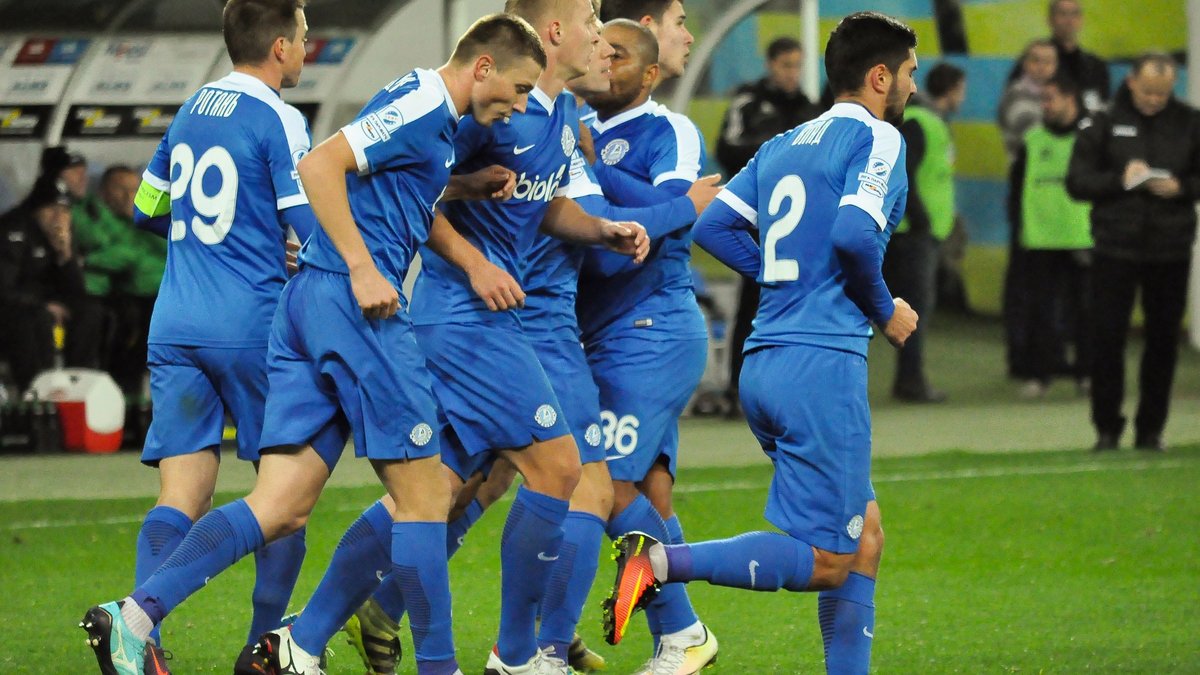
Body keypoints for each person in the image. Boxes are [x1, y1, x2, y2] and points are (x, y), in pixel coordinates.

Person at [605, 11, 919, 675]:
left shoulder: (784, 143)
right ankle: (660, 562)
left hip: (763, 363)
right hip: (820, 367)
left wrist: (783, 277)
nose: (912, 87)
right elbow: (854, 236)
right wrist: (885, 309)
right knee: (831, 559)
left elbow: (713, 227)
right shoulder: (879, 140)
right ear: (879, 76)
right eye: (909, 74)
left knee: (865, 535)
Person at [78, 1, 323, 672]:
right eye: (303, 37)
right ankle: (266, 646)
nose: (307, 49)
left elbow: (145, 208)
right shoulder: (279, 117)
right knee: (286, 499)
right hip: (248, 326)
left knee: (181, 496)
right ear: (279, 46)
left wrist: (207, 240)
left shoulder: (192, 108)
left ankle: (140, 644)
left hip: (176, 321)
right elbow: (309, 225)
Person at [406, 1, 648, 673]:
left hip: (499, 317)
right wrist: (475, 261)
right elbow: (414, 191)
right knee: (563, 471)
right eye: (591, 21)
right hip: (470, 313)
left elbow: (541, 206)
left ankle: (310, 633)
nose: (601, 37)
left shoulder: (559, 113)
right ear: (553, 32)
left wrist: (600, 230)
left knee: (441, 485)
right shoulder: (483, 110)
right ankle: (523, 651)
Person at [578, 17, 720, 674]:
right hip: (601, 332)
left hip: (650, 328)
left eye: (619, 56)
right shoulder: (578, 122)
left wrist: (593, 168)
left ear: (650, 72)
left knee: (605, 482)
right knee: (650, 493)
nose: (606, 64)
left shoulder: (669, 130)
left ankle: (679, 631)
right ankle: (677, 641)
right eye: (600, 52)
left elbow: (672, 214)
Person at [1066, 53, 1200, 452]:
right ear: (1131, 82)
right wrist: (1120, 180)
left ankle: (1151, 430)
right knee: (1107, 340)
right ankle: (1107, 429)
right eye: (1148, 92)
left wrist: (1182, 188)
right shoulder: (1102, 120)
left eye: (1163, 92)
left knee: (1163, 342)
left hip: (1171, 249)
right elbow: (1077, 182)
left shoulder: (1190, 122)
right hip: (1114, 248)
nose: (1155, 99)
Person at [716, 36, 822, 415]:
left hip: (801, 222)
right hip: (756, 220)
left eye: (797, 65)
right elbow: (726, 148)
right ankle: (737, 389)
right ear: (771, 64)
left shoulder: (811, 108)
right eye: (786, 65)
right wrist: (777, 151)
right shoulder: (748, 102)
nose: (793, 73)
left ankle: (789, 390)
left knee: (799, 303)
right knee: (752, 303)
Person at [1007, 73, 1093, 398]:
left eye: (1050, 98)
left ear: (1071, 99)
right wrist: (1019, 231)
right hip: (1040, 240)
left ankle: (1087, 373)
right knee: (1040, 311)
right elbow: (1017, 191)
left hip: (1082, 237)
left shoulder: (1091, 140)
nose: (1045, 105)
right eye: (1042, 99)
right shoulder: (1032, 141)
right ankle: (1040, 375)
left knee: (1086, 311)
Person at [884, 62, 963, 403]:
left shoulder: (928, 122)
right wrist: (920, 219)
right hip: (911, 235)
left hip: (917, 233)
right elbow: (904, 173)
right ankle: (910, 381)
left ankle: (909, 379)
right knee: (912, 309)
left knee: (907, 308)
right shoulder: (919, 122)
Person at [0, 177, 105, 390]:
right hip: (15, 308)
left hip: (45, 304)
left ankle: (79, 384)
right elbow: (4, 288)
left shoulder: (62, 233)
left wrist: (65, 255)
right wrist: (42, 305)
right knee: (36, 318)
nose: (58, 217)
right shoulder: (12, 229)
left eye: (64, 210)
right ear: (36, 210)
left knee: (91, 312)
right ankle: (37, 391)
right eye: (51, 209)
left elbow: (77, 291)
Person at [73, 165, 167, 395]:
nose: (129, 196)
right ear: (104, 191)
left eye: (134, 189)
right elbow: (123, 256)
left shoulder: (150, 216)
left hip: (158, 291)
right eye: (120, 189)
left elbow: (171, 247)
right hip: (126, 293)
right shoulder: (98, 217)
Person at [997, 39, 1058, 162]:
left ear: (1056, 66)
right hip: (1026, 168)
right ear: (1025, 63)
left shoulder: (1056, 93)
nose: (1042, 66)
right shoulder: (1015, 95)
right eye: (1036, 60)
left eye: (1048, 61)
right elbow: (1033, 136)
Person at [1047, 0, 1109, 115]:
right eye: (1063, 14)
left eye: (1074, 14)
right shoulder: (1037, 62)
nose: (1069, 20)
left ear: (1081, 20)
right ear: (1050, 19)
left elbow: (1101, 107)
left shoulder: (1096, 66)